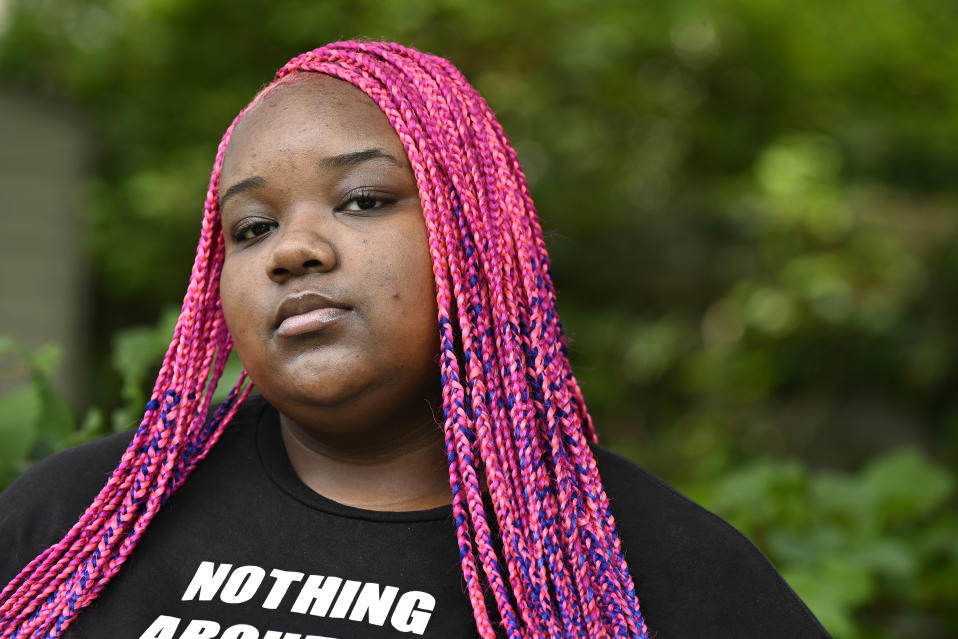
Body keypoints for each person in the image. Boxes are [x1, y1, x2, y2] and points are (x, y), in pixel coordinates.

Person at [0, 41, 831, 639]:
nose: (293, 250)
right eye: (252, 227)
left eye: (362, 199)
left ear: (473, 236)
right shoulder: (69, 519)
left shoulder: (654, 568)